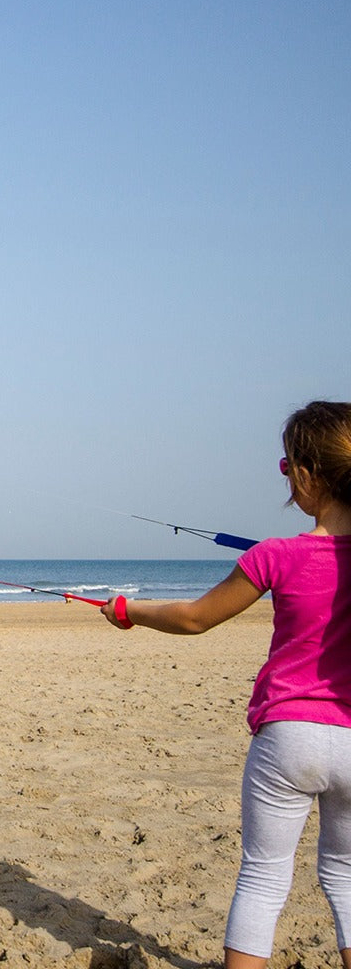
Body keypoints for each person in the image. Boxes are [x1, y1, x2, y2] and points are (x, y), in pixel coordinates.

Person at [101, 401, 351, 969]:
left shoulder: (275, 555)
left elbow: (194, 618)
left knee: (264, 878)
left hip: (289, 738)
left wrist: (128, 611)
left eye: (286, 468)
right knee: (347, 876)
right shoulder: (276, 555)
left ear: (307, 475)